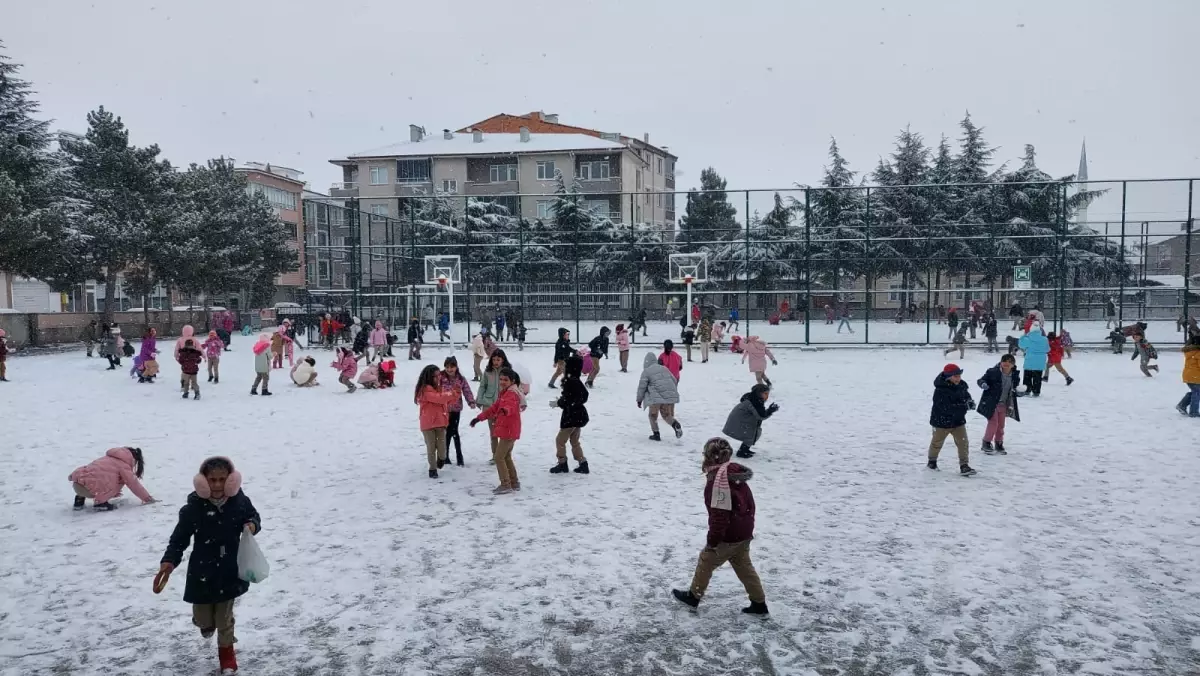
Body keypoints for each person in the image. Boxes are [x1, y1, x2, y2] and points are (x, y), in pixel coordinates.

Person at [157, 456, 260, 675]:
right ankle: (204, 623)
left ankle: (227, 659)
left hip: (230, 571)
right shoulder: (193, 508)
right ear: (203, 481)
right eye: (212, 480)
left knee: (224, 620)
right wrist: (168, 561)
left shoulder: (239, 502)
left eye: (222, 480)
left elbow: (254, 516)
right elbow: (179, 539)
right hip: (202, 571)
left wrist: (252, 525)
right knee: (204, 617)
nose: (217, 485)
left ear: (231, 480)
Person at [670, 438, 767, 615]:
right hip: (743, 531)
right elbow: (749, 504)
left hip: (729, 535)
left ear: (709, 457)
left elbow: (719, 517)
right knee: (744, 567)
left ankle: (693, 596)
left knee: (706, 560)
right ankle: (759, 603)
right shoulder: (736, 474)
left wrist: (713, 541)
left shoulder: (719, 482)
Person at [470, 367, 526, 494]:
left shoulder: (512, 394)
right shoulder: (505, 393)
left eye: (505, 380)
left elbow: (510, 407)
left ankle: (506, 484)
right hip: (509, 430)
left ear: (512, 381)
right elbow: (493, 409)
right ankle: (514, 482)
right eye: (500, 379)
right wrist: (478, 418)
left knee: (499, 457)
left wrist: (505, 410)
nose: (502, 382)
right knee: (506, 456)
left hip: (509, 431)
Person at [927, 364, 977, 476]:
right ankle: (932, 461)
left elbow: (966, 396)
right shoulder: (940, 390)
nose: (958, 378)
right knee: (936, 443)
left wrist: (969, 402)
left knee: (963, 443)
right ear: (948, 376)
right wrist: (964, 406)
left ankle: (964, 465)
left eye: (959, 376)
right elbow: (946, 407)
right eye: (955, 376)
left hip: (958, 421)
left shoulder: (962, 385)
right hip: (941, 421)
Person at [69, 446, 154, 511]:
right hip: (90, 490)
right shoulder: (123, 465)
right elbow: (133, 483)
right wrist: (147, 498)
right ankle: (100, 504)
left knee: (95, 476)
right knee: (110, 480)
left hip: (77, 484)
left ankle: (79, 499)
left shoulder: (106, 459)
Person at [549, 355, 591, 474]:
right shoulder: (575, 380)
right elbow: (580, 396)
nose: (562, 367)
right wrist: (570, 401)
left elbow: (573, 398)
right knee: (574, 441)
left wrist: (560, 402)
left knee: (560, 440)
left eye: (565, 366)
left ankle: (562, 463)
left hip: (571, 417)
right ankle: (583, 463)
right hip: (577, 416)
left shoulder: (571, 381)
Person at [415, 365, 458, 478]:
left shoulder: (440, 389)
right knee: (431, 447)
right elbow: (439, 398)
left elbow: (445, 401)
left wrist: (455, 395)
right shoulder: (425, 391)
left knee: (442, 447)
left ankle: (441, 459)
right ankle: (432, 468)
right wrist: (450, 395)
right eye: (436, 376)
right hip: (428, 424)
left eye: (439, 375)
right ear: (429, 377)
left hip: (440, 423)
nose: (439, 378)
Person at [977, 354, 1022, 455]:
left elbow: (1015, 389)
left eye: (1010, 362)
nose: (1007, 363)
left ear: (1013, 365)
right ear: (1001, 362)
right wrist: (983, 384)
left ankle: (999, 443)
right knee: (993, 423)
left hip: (1004, 403)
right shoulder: (993, 372)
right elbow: (981, 380)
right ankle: (986, 442)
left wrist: (1019, 392)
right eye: (1004, 361)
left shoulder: (1014, 375)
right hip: (992, 402)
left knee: (1001, 425)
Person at [723, 384, 777, 459]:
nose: (767, 396)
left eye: (768, 394)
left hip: (739, 422)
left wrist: (769, 411)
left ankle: (745, 449)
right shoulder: (754, 401)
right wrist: (770, 411)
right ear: (759, 393)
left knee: (754, 431)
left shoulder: (754, 399)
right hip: (738, 424)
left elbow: (760, 414)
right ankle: (742, 452)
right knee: (752, 433)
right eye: (765, 394)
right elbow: (761, 416)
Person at [440, 356, 476, 467]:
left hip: (455, 409)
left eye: (452, 367)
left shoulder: (460, 379)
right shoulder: (440, 378)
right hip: (443, 410)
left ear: (456, 367)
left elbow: (466, 390)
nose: (449, 369)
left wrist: (471, 401)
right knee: (446, 433)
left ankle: (458, 456)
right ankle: (445, 456)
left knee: (454, 432)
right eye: (447, 367)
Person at [638, 351, 683, 441]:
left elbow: (642, 387)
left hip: (655, 398)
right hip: (666, 396)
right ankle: (675, 424)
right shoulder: (664, 368)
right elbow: (673, 379)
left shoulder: (646, 371)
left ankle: (656, 434)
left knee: (652, 415)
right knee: (666, 415)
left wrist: (639, 400)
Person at [476, 350, 512, 460]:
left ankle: (504, 454)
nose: (496, 362)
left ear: (503, 360)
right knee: (493, 433)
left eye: (498, 360)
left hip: (503, 406)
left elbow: (515, 388)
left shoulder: (508, 372)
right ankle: (495, 455)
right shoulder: (487, 372)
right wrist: (479, 399)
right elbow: (482, 386)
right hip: (489, 405)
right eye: (494, 359)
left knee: (504, 432)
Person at [1018, 329, 1048, 396]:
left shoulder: (1028, 339)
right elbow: (1047, 349)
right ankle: (1036, 392)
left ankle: (1027, 390)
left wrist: (1023, 337)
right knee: (1037, 378)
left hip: (1029, 361)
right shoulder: (1044, 339)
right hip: (1039, 362)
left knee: (1027, 377)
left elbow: (1021, 345)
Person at [1177, 334, 1200, 417]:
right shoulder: (1198, 353)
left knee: (1196, 392)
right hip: (1195, 377)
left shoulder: (1191, 351)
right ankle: (1193, 412)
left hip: (1189, 375)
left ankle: (1181, 405)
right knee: (1197, 393)